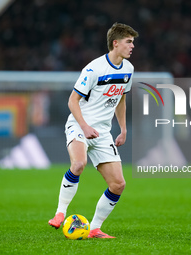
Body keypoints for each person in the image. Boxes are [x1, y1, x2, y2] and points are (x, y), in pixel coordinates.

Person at [48, 23, 138, 238]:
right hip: (79, 125)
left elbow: (121, 100)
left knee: (118, 184)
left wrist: (123, 129)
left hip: (103, 133)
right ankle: (60, 214)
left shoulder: (128, 69)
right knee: (79, 164)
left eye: (133, 42)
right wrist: (85, 126)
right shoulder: (93, 69)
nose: (132, 46)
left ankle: (94, 228)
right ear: (115, 43)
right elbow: (73, 101)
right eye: (129, 42)